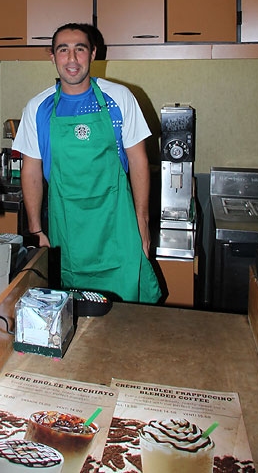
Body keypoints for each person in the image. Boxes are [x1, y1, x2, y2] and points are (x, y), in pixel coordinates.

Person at [13, 23, 161, 304]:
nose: (72, 59)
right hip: (67, 229)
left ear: (93, 54)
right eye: (63, 50)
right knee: (74, 309)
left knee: (128, 312)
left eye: (79, 49)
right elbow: (31, 170)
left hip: (117, 226)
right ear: (52, 56)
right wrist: (36, 230)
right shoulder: (38, 107)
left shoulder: (119, 98)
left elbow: (138, 161)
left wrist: (142, 224)